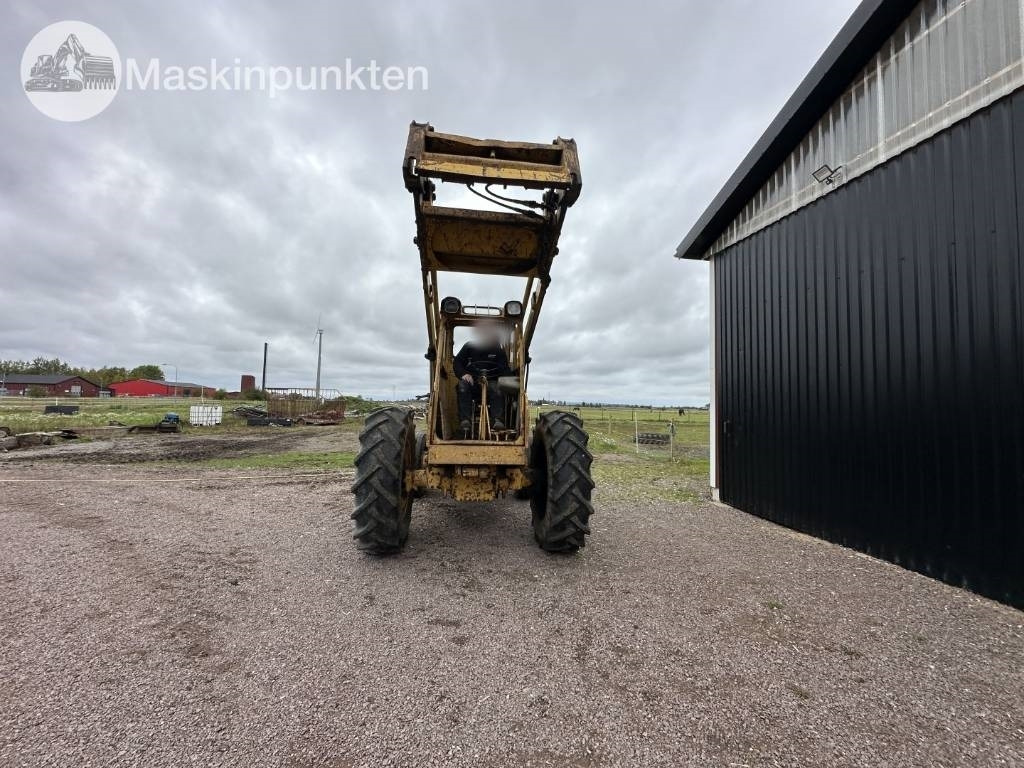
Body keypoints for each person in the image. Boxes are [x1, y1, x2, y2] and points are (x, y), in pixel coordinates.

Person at [454, 323, 514, 433]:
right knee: (462, 385)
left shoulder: (498, 351)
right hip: (473, 384)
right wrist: (464, 374)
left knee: (497, 387)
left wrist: (509, 379)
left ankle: (497, 421)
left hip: (491, 384)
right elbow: (458, 362)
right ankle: (465, 421)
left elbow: (504, 368)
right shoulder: (469, 347)